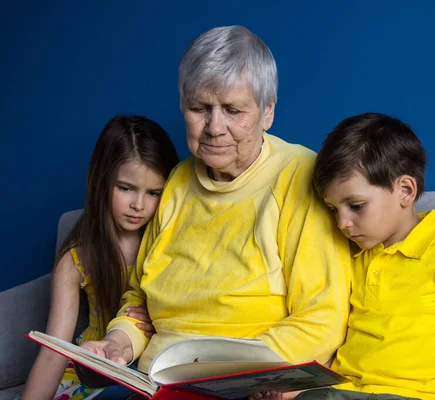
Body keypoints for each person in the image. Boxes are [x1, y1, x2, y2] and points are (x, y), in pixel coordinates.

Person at [79, 25, 352, 380]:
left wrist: (232, 377)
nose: (214, 127)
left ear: (267, 111)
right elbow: (139, 300)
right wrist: (116, 344)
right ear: (182, 106)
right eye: (199, 108)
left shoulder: (300, 176)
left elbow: (322, 320)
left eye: (233, 110)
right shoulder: (176, 181)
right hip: (155, 380)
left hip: (250, 382)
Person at [288, 112, 435, 400]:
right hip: (344, 391)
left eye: (355, 205)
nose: (342, 223)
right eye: (333, 209)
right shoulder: (351, 256)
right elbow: (346, 345)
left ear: (405, 190)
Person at [18, 116, 180, 400]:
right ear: (102, 181)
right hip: (95, 369)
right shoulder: (77, 259)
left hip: (154, 364)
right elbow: (54, 350)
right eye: (126, 188)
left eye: (153, 192)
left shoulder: (169, 241)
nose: (138, 205)